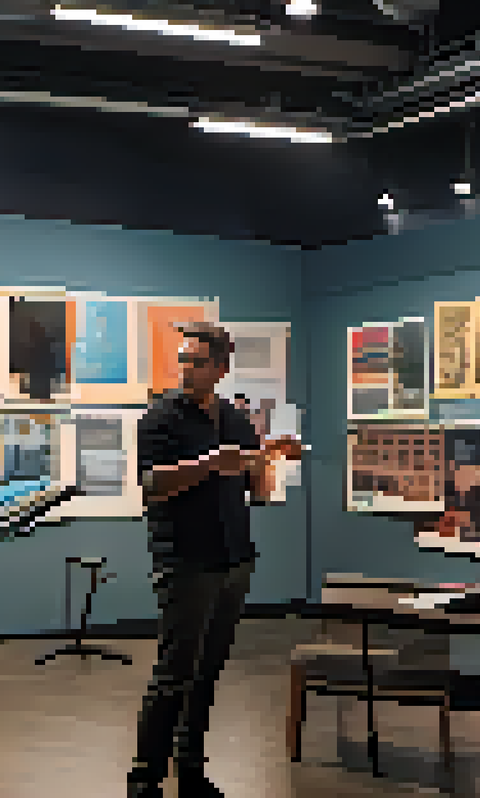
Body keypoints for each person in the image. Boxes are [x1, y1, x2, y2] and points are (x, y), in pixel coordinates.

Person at [128, 322, 301, 798]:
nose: (187, 369)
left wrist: (269, 460)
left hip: (234, 560)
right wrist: (208, 464)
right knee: (174, 674)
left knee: (208, 672)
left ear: (221, 367)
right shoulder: (160, 419)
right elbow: (152, 485)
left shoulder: (236, 420)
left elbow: (255, 492)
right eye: (183, 360)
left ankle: (191, 771)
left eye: (197, 361)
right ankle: (144, 780)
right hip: (186, 561)